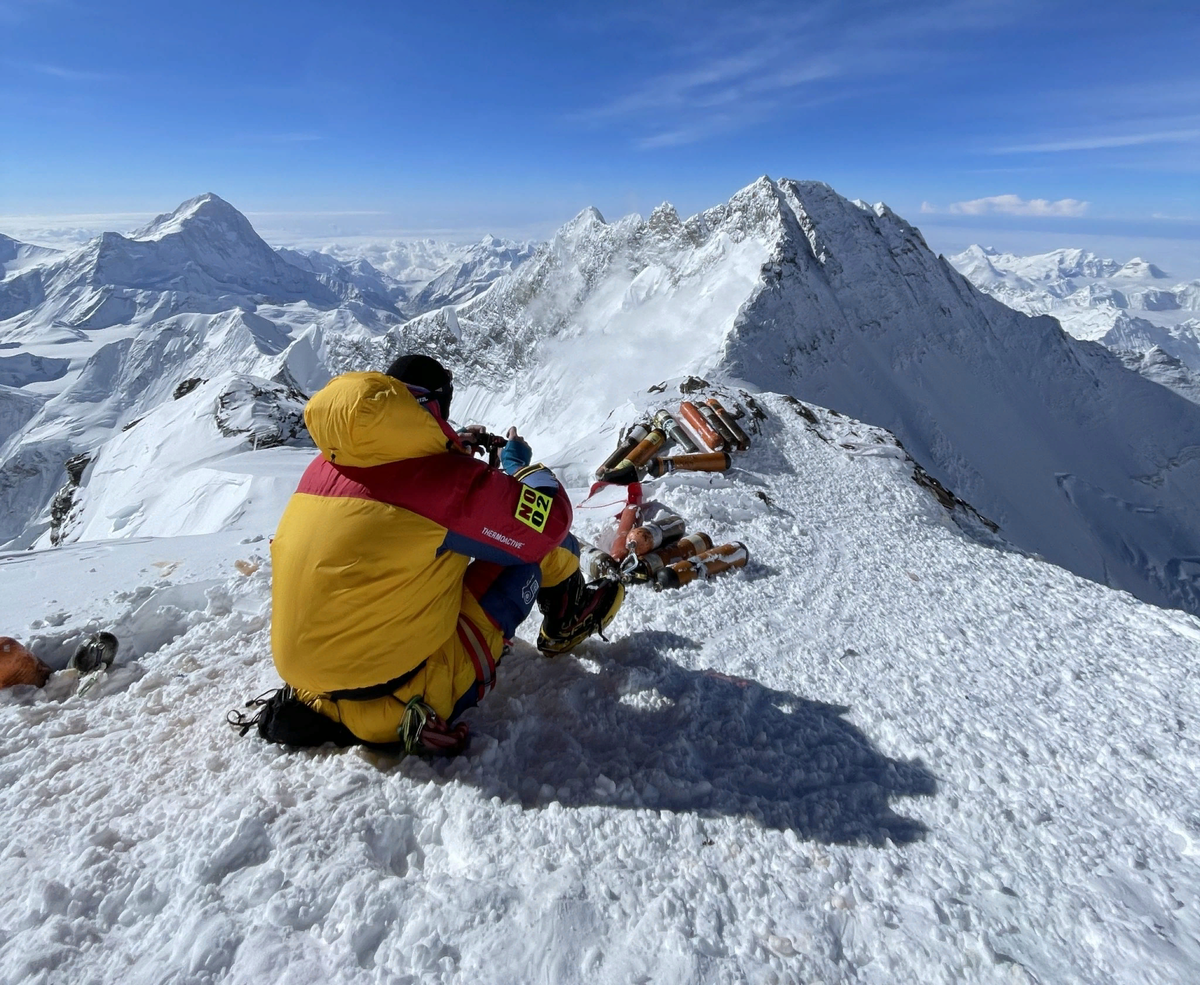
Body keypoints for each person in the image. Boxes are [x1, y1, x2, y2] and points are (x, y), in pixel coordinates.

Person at [268, 353, 623, 754]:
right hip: (399, 704)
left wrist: (451, 453)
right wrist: (520, 469)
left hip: (310, 692)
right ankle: (567, 616)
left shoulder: (324, 465)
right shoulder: (444, 484)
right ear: (438, 407)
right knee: (538, 549)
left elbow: (397, 501)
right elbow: (549, 523)